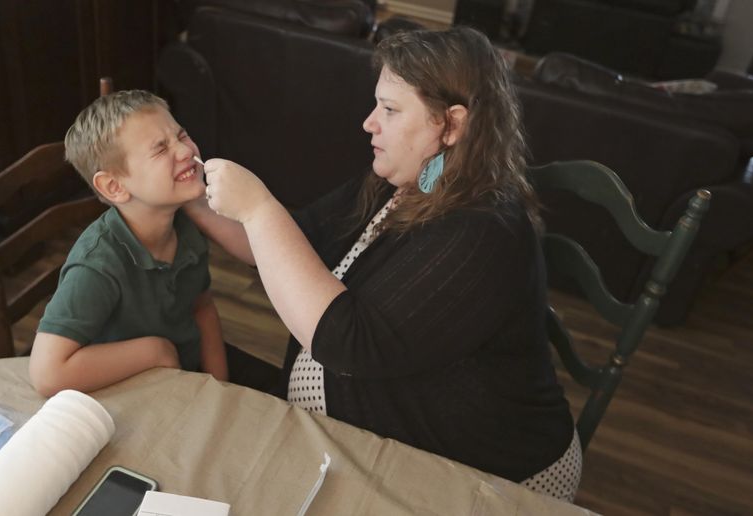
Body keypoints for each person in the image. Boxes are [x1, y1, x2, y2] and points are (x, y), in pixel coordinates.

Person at [185, 26, 581, 501]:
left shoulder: (485, 232)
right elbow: (290, 244)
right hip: (376, 424)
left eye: (390, 110)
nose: (369, 123)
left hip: (490, 474)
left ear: (452, 125)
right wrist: (187, 197)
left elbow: (348, 343)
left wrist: (257, 207)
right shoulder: (412, 179)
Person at [29, 90, 228, 397]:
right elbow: (46, 374)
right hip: (130, 397)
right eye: (160, 149)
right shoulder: (97, 265)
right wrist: (156, 351)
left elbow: (202, 307)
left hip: (183, 382)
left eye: (181, 135)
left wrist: (221, 391)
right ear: (114, 186)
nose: (186, 151)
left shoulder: (184, 222)